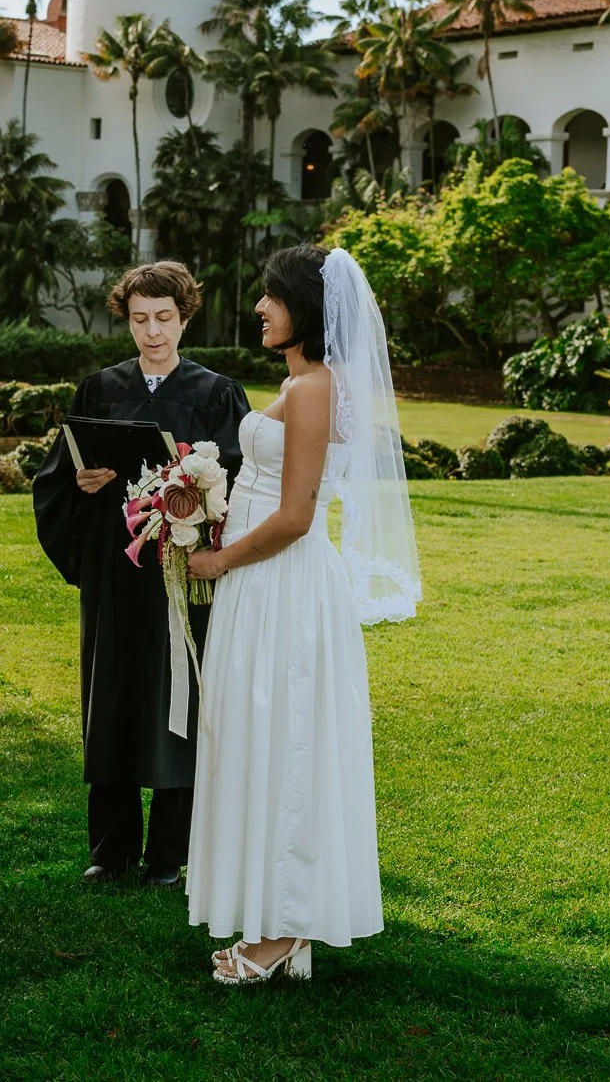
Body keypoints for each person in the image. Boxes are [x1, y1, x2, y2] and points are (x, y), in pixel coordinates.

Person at [184, 244, 421, 985]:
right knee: (258, 735)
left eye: (271, 296)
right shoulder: (299, 381)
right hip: (262, 581)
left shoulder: (316, 386)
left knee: (284, 738)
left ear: (306, 310)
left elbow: (293, 514)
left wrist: (220, 559)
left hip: (281, 580)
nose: (259, 307)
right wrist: (200, 508)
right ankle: (273, 915)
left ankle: (285, 927)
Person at [33, 262, 250, 887]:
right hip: (114, 568)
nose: (152, 333)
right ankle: (111, 847)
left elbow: (237, 479)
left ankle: (170, 854)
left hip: (182, 575)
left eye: (163, 319)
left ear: (185, 318)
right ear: (125, 319)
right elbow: (58, 478)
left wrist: (193, 494)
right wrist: (81, 484)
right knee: (113, 699)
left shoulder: (215, 394)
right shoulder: (99, 389)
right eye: (139, 320)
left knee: (178, 699)